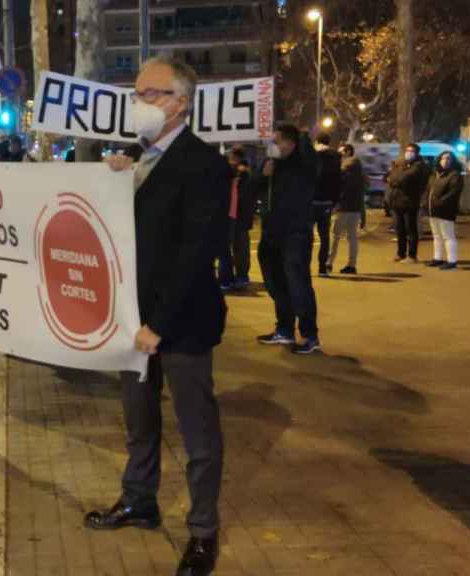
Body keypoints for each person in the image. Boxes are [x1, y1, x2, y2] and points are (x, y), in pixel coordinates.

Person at [84, 56, 229, 576]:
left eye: (148, 93)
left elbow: (195, 253)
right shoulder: (133, 159)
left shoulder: (206, 165)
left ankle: (202, 533)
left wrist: (158, 325)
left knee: (197, 435)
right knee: (139, 423)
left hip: (180, 325)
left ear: (179, 102)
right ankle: (138, 499)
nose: (137, 102)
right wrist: (116, 180)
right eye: (136, 91)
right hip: (132, 322)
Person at [256, 124, 321, 354]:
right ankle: (284, 329)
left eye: (277, 141)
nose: (273, 145)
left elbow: (311, 162)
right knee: (275, 283)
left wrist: (303, 137)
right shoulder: (270, 165)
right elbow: (252, 189)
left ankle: (309, 335)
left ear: (291, 144)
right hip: (271, 233)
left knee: (298, 283)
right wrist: (263, 176)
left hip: (295, 233)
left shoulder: (303, 163)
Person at [223, 148, 261, 288]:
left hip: (237, 216)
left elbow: (244, 196)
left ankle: (238, 276)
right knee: (237, 249)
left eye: (230, 157)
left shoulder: (243, 174)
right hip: (237, 216)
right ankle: (237, 276)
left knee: (237, 249)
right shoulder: (242, 173)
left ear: (236, 158)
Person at [386, 143, 430, 263]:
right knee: (400, 230)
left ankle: (412, 255)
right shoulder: (403, 165)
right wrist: (394, 178)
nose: (408, 153)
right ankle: (401, 253)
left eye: (411, 151)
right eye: (407, 150)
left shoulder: (419, 167)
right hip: (397, 202)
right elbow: (390, 178)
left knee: (410, 229)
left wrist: (394, 178)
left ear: (417, 153)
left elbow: (401, 179)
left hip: (410, 202)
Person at [327, 144, 365, 275]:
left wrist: (335, 203)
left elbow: (340, 188)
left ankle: (328, 263)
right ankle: (352, 264)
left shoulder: (344, 168)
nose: (339, 153)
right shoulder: (360, 170)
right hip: (355, 207)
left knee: (335, 236)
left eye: (341, 151)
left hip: (343, 207)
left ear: (348, 152)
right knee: (352, 237)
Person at [426, 151, 463, 270]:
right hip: (433, 210)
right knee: (437, 236)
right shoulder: (435, 174)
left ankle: (452, 261)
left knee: (448, 236)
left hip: (446, 210)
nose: (445, 161)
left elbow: (453, 192)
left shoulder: (455, 175)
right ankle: (437, 258)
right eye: (443, 158)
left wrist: (440, 202)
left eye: (448, 159)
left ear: (453, 161)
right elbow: (428, 191)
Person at [313, 133, 342, 275]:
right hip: (327, 203)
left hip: (310, 202)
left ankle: (303, 267)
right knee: (324, 237)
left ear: (317, 141)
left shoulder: (311, 156)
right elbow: (338, 181)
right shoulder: (335, 158)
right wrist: (335, 201)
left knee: (306, 236)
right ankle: (322, 268)